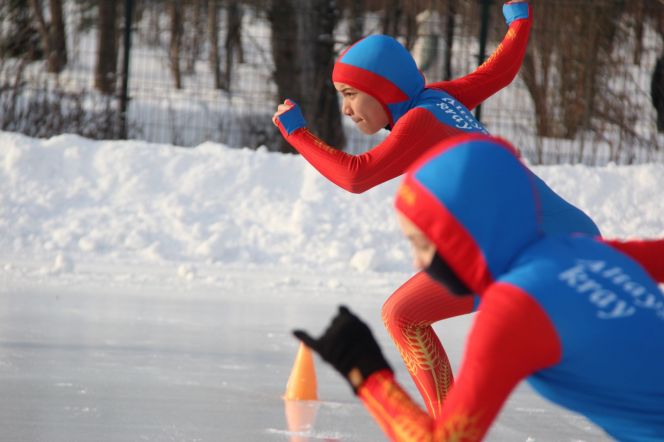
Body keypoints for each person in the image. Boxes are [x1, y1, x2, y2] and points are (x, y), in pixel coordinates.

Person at [273, 1, 664, 418]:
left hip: (529, 247)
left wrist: (297, 133)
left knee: (403, 316)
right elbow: (499, 71)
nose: (347, 109)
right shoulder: (441, 100)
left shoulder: (418, 122)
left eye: (351, 94)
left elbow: (356, 176)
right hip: (558, 233)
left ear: (384, 89)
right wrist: (519, 21)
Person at [294, 134, 664, 441]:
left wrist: (368, 374)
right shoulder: (586, 250)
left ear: (466, 235)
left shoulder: (514, 307)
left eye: (423, 244)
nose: (417, 263)